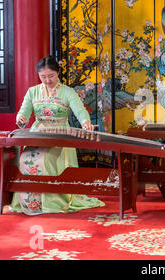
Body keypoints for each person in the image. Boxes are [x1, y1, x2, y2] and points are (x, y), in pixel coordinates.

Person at [10, 55, 105, 215]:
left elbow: (80, 111)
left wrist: (85, 122)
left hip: (60, 134)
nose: (47, 80)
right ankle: (31, 202)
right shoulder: (32, 92)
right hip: (38, 134)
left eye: (51, 76)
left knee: (45, 160)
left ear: (58, 73)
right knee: (27, 159)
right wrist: (21, 117)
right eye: (43, 77)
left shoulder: (67, 92)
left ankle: (54, 201)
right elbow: (23, 113)